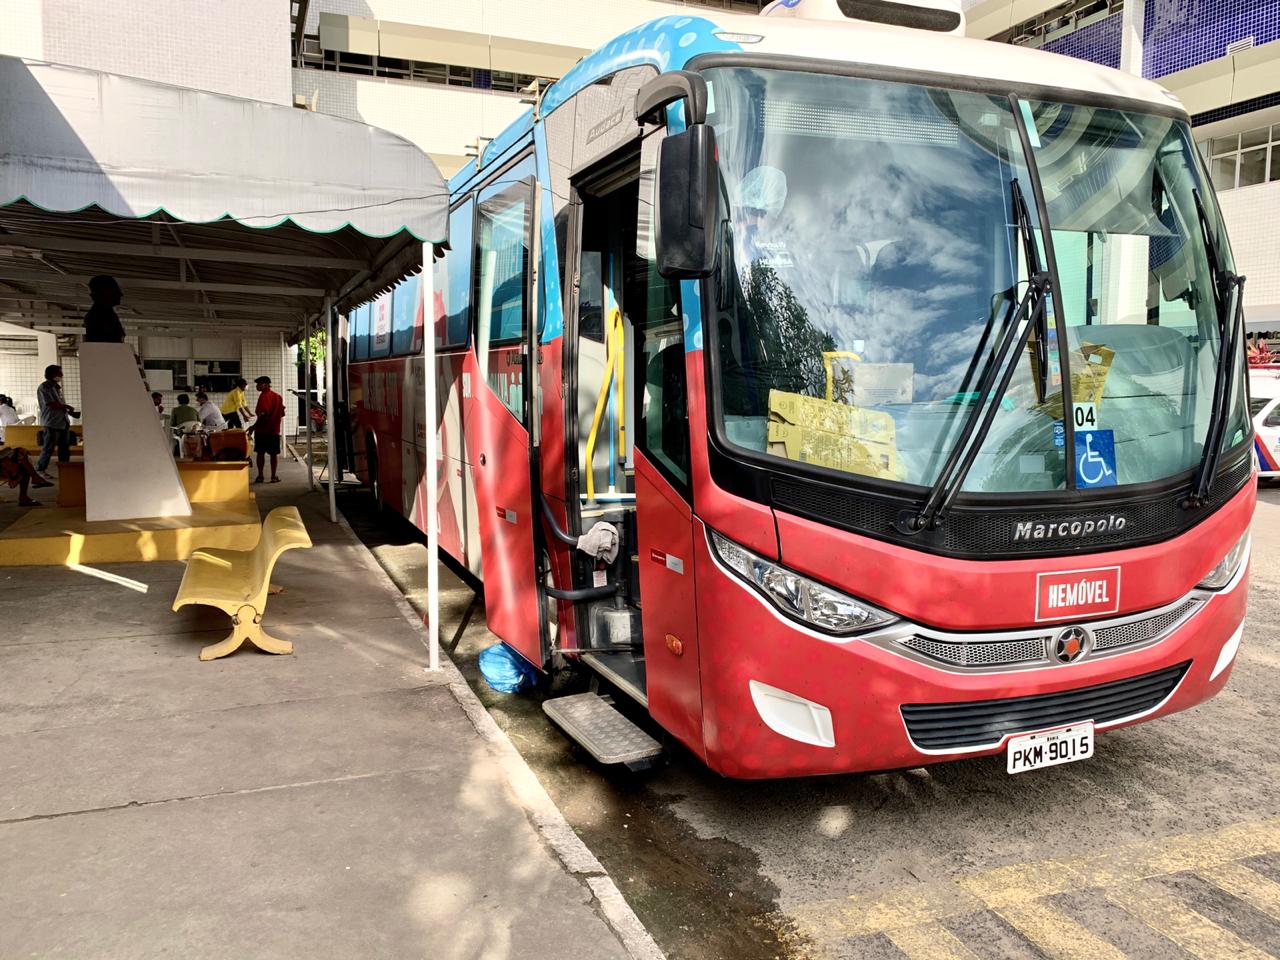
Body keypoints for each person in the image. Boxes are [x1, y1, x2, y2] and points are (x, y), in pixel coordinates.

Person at [35, 364, 78, 477]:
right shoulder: (45, 387)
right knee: (48, 447)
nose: (62, 375)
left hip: (62, 422)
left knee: (64, 448)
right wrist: (67, 407)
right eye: (59, 373)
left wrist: (68, 411)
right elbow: (51, 404)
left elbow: (59, 404)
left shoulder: (56, 388)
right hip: (51, 423)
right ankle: (40, 469)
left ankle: (65, 468)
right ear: (52, 374)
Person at [252, 375, 285, 483]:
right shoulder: (278, 397)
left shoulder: (264, 396)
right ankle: (273, 476)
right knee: (273, 454)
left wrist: (254, 426)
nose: (257, 386)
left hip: (262, 430)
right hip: (274, 430)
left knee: (260, 453)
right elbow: (282, 413)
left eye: (259, 384)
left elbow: (263, 414)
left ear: (266, 385)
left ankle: (260, 476)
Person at [83, 275, 127, 344]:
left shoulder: (101, 314)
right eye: (115, 290)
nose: (120, 294)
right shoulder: (100, 316)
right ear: (104, 294)